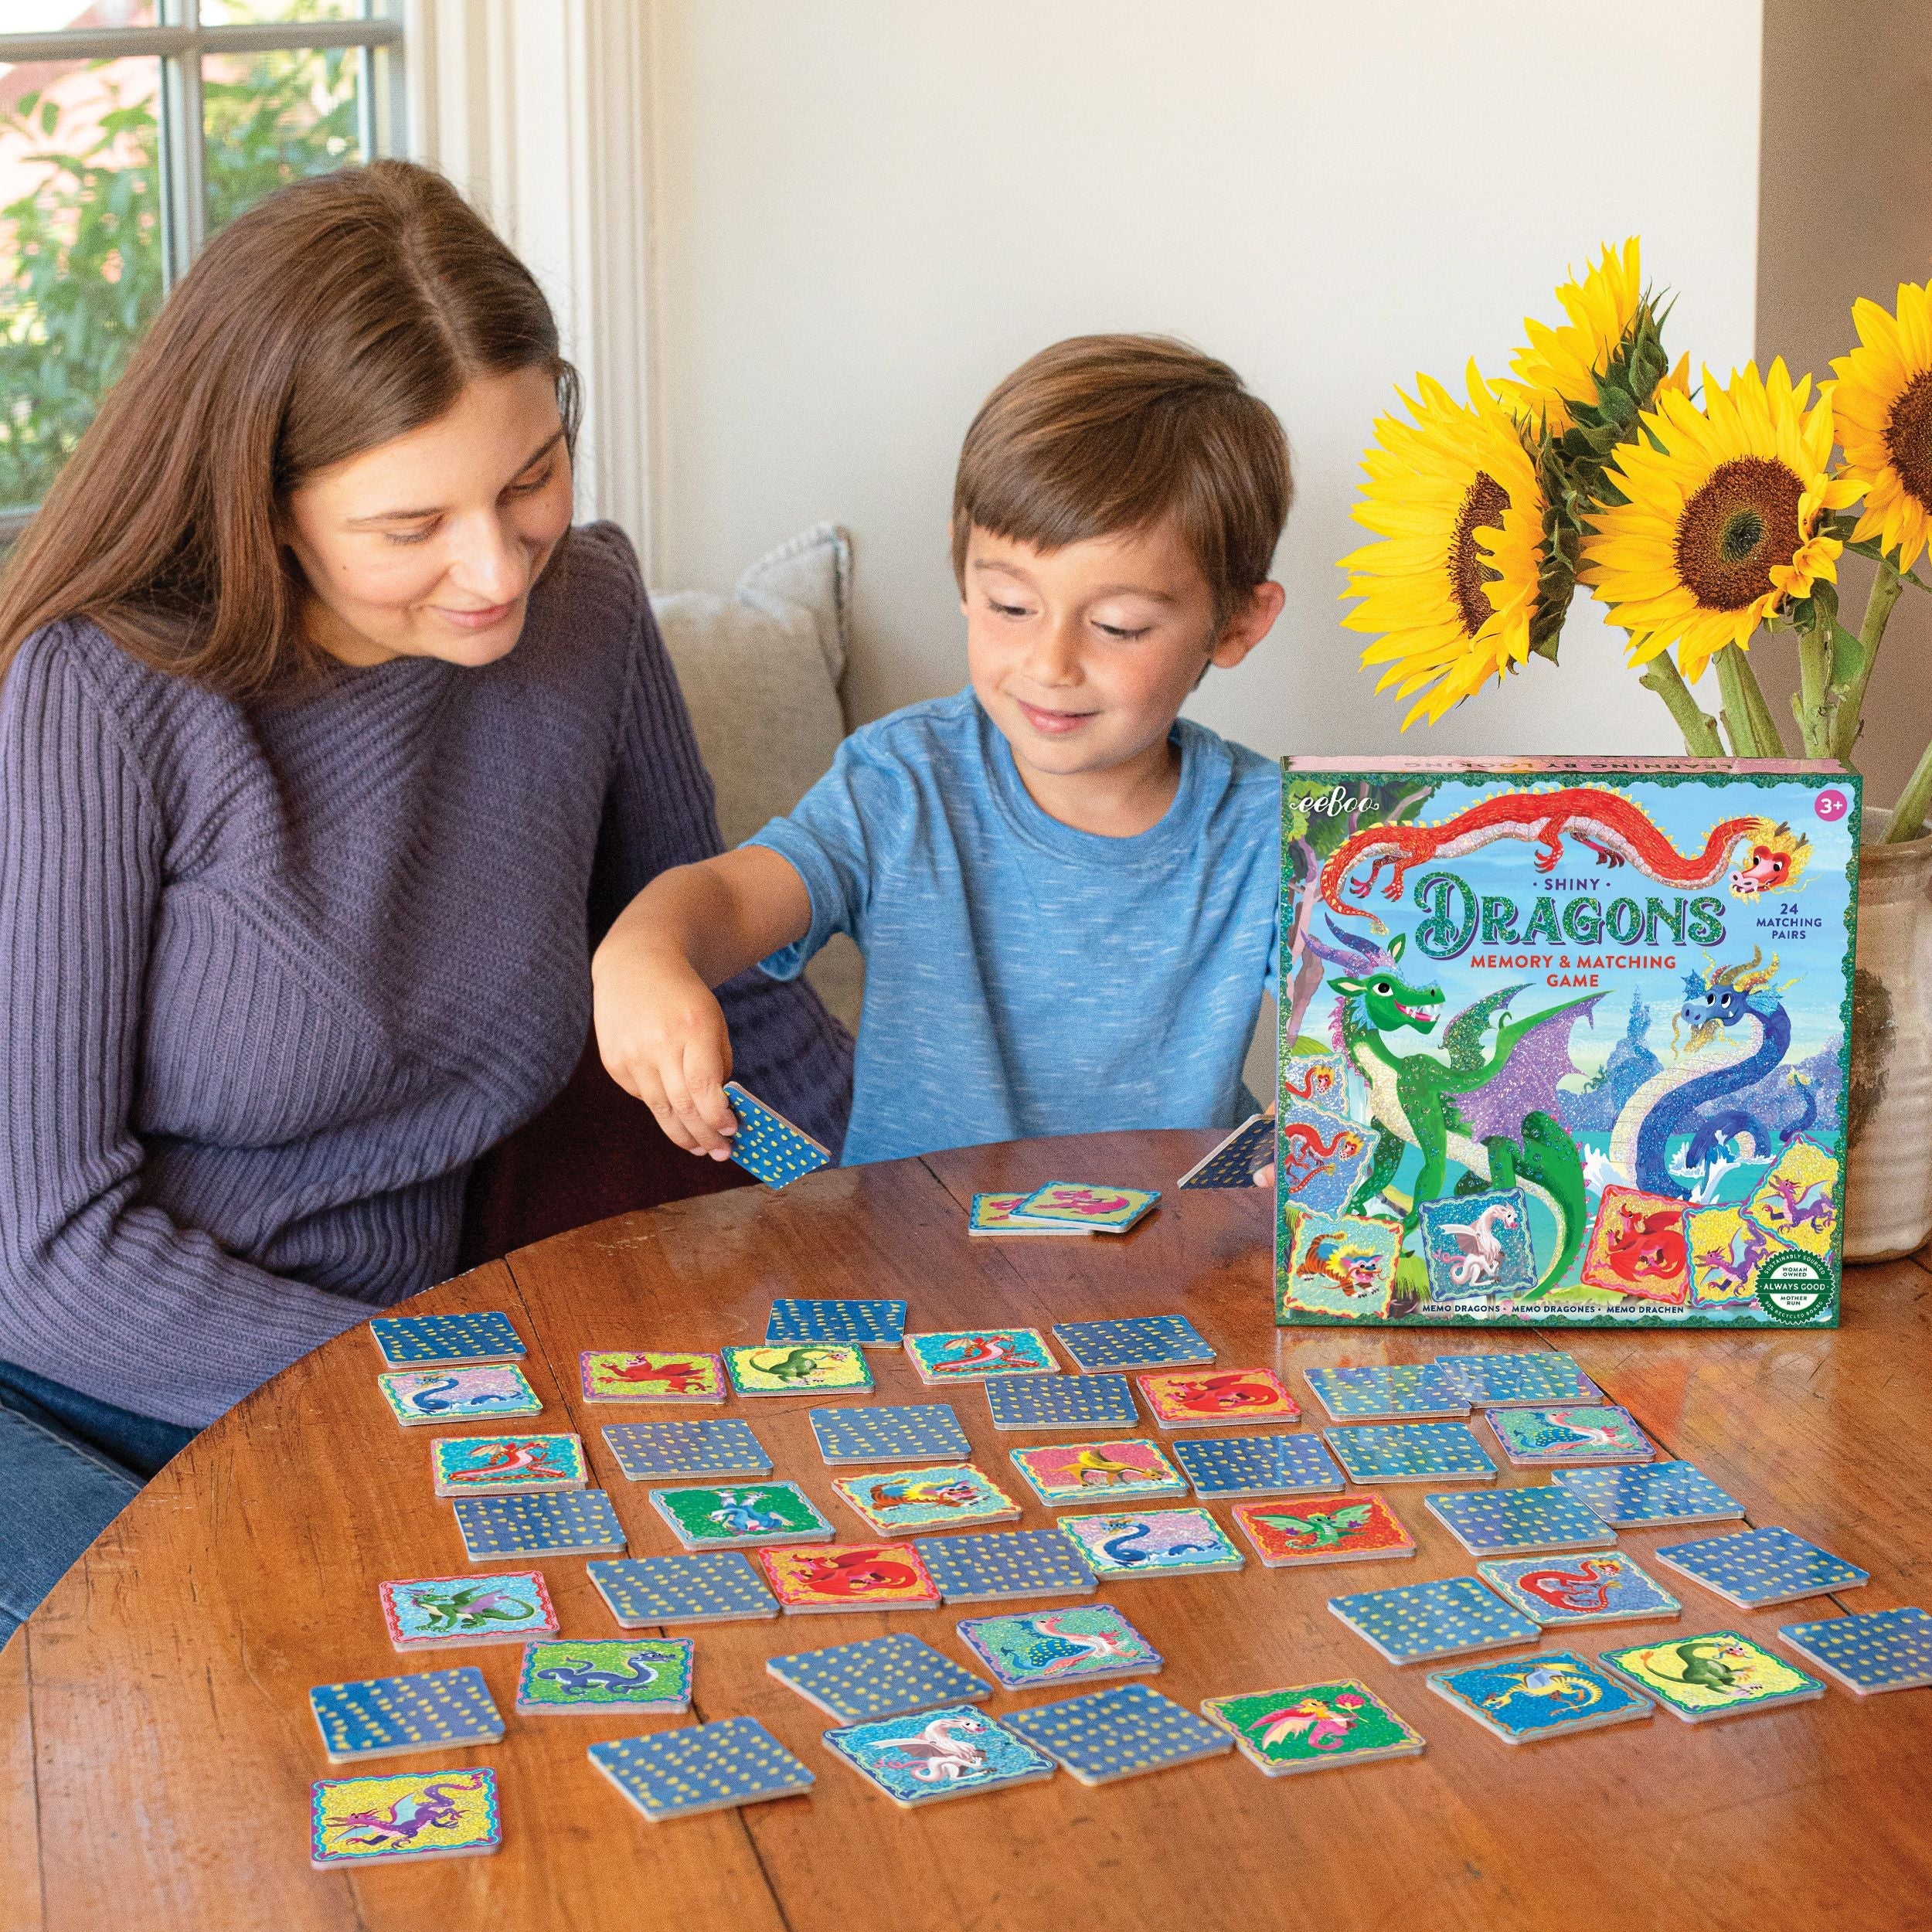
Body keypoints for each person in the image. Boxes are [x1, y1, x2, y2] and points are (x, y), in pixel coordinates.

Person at [0, 161, 850, 1647]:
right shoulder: (102, 696)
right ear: (261, 508)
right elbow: (44, 1255)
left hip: (421, 1372)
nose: (494, 564)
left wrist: (913, 1211)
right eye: (411, 526)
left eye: (530, 474)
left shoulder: (583, 616)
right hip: (75, 1397)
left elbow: (726, 999)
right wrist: (458, 1377)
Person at [595, 334, 1290, 1168]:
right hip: (916, 1268)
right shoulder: (902, 783)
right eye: (1009, 606)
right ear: (963, 578)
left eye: (1117, 626)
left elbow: (1397, 1038)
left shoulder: (1277, 833)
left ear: (1238, 625)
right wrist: (643, 952)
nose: (1050, 663)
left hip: (1173, 1274)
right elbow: (731, 899)